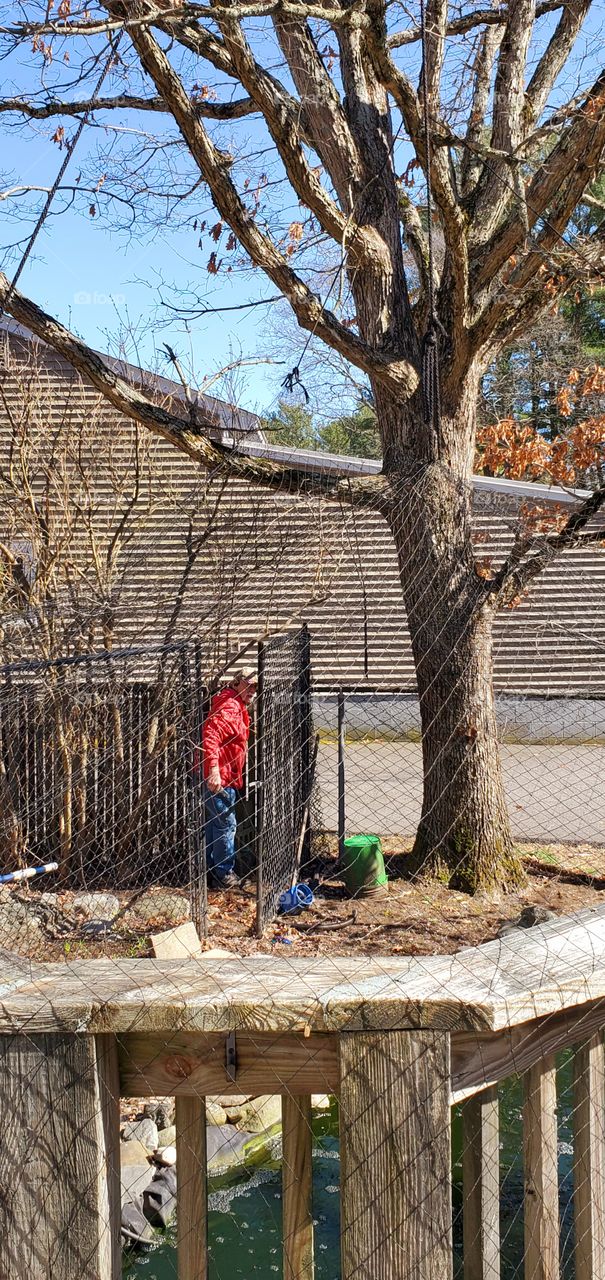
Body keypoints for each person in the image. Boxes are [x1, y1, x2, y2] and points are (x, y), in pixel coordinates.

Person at [202, 666, 257, 889]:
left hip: (225, 775)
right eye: (249, 685)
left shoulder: (235, 704)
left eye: (255, 686)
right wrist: (214, 770)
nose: (253, 690)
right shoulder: (230, 706)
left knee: (215, 824)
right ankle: (224, 874)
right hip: (220, 776)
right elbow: (210, 735)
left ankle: (210, 871)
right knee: (226, 823)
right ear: (236, 683)